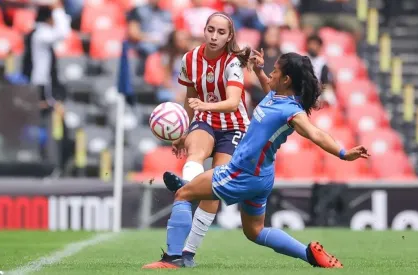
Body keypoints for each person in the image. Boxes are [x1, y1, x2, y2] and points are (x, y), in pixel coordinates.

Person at [142, 50, 370, 269]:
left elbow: (316, 133)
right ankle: (309, 253)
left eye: (275, 71)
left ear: (287, 79)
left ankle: (172, 259)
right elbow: (269, 90)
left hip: (242, 173)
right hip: (261, 176)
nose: (271, 73)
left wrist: (343, 153)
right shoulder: (277, 96)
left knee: (183, 195)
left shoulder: (291, 111)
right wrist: (260, 72)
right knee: (255, 232)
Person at [145, 11, 252, 268]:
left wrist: (204, 104)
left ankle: (187, 253)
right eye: (211, 30)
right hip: (204, 121)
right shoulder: (189, 59)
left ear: (229, 37)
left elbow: (233, 102)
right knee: (194, 157)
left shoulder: (233, 63)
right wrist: (182, 131)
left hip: (234, 126)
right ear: (204, 30)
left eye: (221, 32)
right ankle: (189, 184)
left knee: (213, 186)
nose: (214, 36)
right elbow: (189, 98)